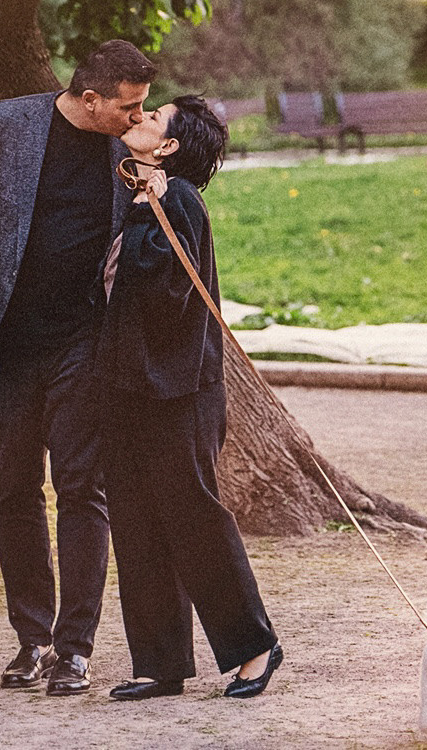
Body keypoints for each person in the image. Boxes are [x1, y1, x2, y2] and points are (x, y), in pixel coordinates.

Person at [0, 40, 156, 696]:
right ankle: (34, 639)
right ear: (91, 98)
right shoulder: (1, 127)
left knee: (82, 488)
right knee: (14, 488)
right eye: (129, 106)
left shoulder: (127, 149)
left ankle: (75, 649)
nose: (140, 117)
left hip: (84, 342)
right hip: (2, 343)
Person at [98, 95, 283, 701]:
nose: (140, 119)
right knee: (135, 517)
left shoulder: (174, 199)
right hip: (128, 384)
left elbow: (162, 290)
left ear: (170, 147)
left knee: (193, 516)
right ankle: (160, 662)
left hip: (177, 389)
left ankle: (254, 646)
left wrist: (140, 209)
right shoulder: (139, 193)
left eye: (154, 118)